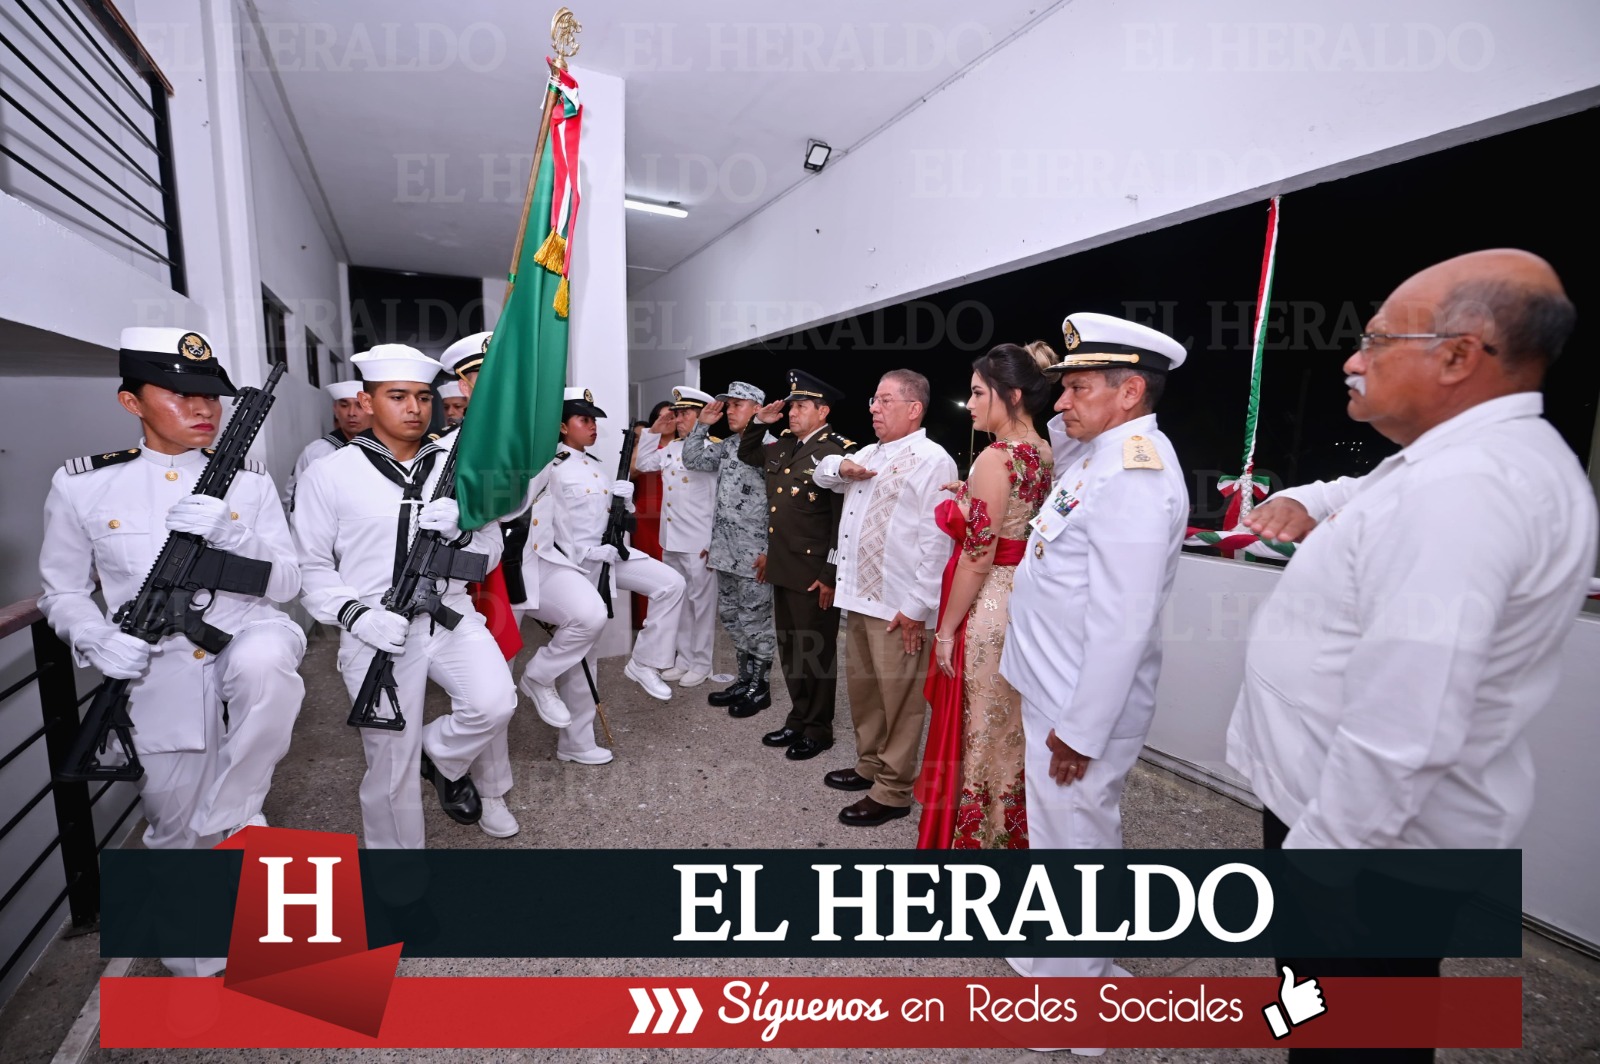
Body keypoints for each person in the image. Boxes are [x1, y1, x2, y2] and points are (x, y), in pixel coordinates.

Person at [1227, 250, 1596, 1062]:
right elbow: (1367, 498)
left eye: (1380, 340)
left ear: (1460, 356)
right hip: (1352, 827)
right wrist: (1309, 496)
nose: (1353, 360)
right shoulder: (1452, 464)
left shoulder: (1469, 490)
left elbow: (1407, 725)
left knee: (1353, 1036)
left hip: (1361, 852)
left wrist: (1317, 873)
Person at [38, 327, 306, 977]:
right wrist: (96, 637)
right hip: (156, 668)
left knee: (269, 659)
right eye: (180, 393)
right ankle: (194, 954)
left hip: (245, 636)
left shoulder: (246, 480)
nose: (202, 408)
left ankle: (243, 807)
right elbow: (62, 591)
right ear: (131, 403)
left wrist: (229, 543)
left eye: (210, 395)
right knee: (176, 824)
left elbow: (290, 582)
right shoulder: (83, 486)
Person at [999, 313, 1189, 1011]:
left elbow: (1124, 622)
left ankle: (1074, 1003)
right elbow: (1055, 437)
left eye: (1076, 388)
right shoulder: (1101, 454)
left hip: (1081, 704)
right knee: (1058, 834)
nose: (1060, 403)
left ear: (1130, 391)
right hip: (1053, 686)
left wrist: (1081, 729)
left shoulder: (1136, 475)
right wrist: (1055, 367)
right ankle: (1069, 952)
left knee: (1075, 838)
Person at [293, 344, 519, 845]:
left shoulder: (454, 465)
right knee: (389, 773)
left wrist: (464, 531)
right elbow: (309, 565)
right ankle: (399, 885)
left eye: (421, 397)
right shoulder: (329, 473)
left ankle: (436, 754)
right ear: (368, 401)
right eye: (397, 397)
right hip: (377, 628)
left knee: (495, 702)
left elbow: (491, 550)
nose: (414, 408)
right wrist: (354, 615)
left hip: (450, 614)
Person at [919, 344, 1056, 849]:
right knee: (1012, 732)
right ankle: (1013, 832)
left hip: (993, 605)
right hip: (1030, 599)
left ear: (1012, 395)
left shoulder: (995, 458)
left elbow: (979, 555)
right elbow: (1019, 518)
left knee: (981, 731)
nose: (971, 404)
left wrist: (947, 630)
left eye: (979, 393)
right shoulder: (1044, 451)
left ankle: (978, 843)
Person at [811, 370, 956, 827]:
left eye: (885, 400)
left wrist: (917, 607)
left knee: (901, 700)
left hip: (898, 605)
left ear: (914, 409)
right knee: (865, 691)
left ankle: (894, 789)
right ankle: (870, 765)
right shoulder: (868, 453)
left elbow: (938, 542)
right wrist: (841, 466)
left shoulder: (932, 460)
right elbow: (821, 472)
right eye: (873, 399)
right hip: (859, 597)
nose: (873, 407)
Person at [540, 387, 686, 701]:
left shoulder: (592, 466)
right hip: (577, 566)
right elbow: (549, 529)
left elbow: (605, 514)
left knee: (672, 584)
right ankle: (577, 741)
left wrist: (627, 504)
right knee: (585, 647)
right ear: (563, 426)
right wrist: (585, 552)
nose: (593, 425)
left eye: (594, 419)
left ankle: (645, 661)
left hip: (611, 552)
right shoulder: (553, 470)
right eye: (584, 419)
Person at [739, 370, 856, 759]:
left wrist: (830, 575)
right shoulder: (785, 445)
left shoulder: (837, 452)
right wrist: (759, 422)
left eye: (801, 406)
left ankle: (819, 729)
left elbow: (841, 521)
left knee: (815, 653)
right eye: (790, 407)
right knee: (791, 649)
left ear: (822, 411)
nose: (791, 413)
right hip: (783, 567)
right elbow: (747, 453)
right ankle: (798, 719)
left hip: (813, 573)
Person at [681, 381, 779, 715]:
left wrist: (771, 551)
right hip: (725, 552)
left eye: (738, 405)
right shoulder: (727, 446)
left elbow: (780, 507)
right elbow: (692, 459)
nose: (731, 411)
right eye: (729, 405)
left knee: (756, 622)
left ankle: (760, 686)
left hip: (754, 556)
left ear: (757, 409)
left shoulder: (771, 448)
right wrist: (703, 425)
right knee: (732, 617)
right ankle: (744, 679)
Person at [634, 387, 720, 687]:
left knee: (702, 606)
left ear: (702, 417)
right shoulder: (670, 449)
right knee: (680, 603)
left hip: (699, 543)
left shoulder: (712, 449)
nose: (678, 418)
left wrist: (713, 542)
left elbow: (718, 500)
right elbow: (643, 464)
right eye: (677, 413)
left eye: (684, 413)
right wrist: (653, 432)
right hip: (670, 540)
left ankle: (701, 663)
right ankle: (683, 659)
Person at [284, 379, 371, 507]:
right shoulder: (315, 452)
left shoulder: (390, 449)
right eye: (344, 405)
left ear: (371, 409)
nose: (352, 413)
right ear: (335, 410)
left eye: (359, 406)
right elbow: (292, 500)